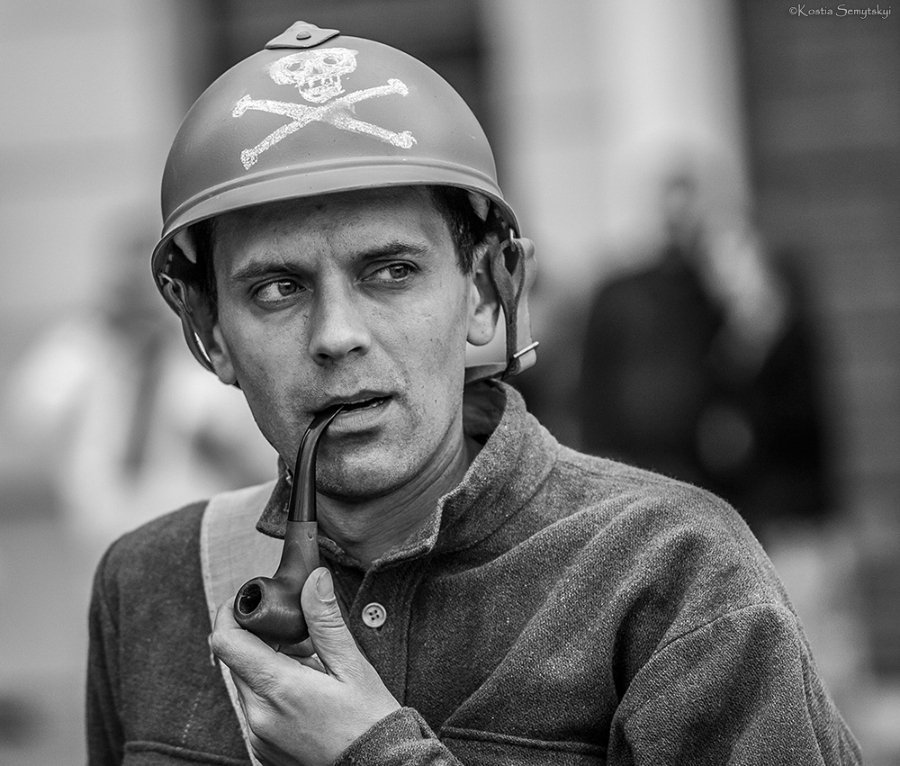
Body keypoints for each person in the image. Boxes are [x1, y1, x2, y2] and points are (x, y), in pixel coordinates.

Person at [86, 21, 861, 766]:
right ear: (210, 332)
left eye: (391, 271)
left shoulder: (672, 574)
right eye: (277, 289)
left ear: (487, 293)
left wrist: (373, 754)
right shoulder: (149, 587)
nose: (337, 335)